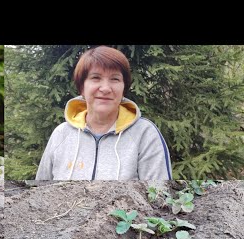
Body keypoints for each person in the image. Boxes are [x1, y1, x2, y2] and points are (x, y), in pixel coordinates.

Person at [35, 46, 172, 180]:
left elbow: (159, 197)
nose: (106, 88)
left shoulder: (145, 134)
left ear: (123, 88)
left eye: (115, 79)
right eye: (96, 78)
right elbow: (39, 192)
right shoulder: (61, 134)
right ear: (82, 87)